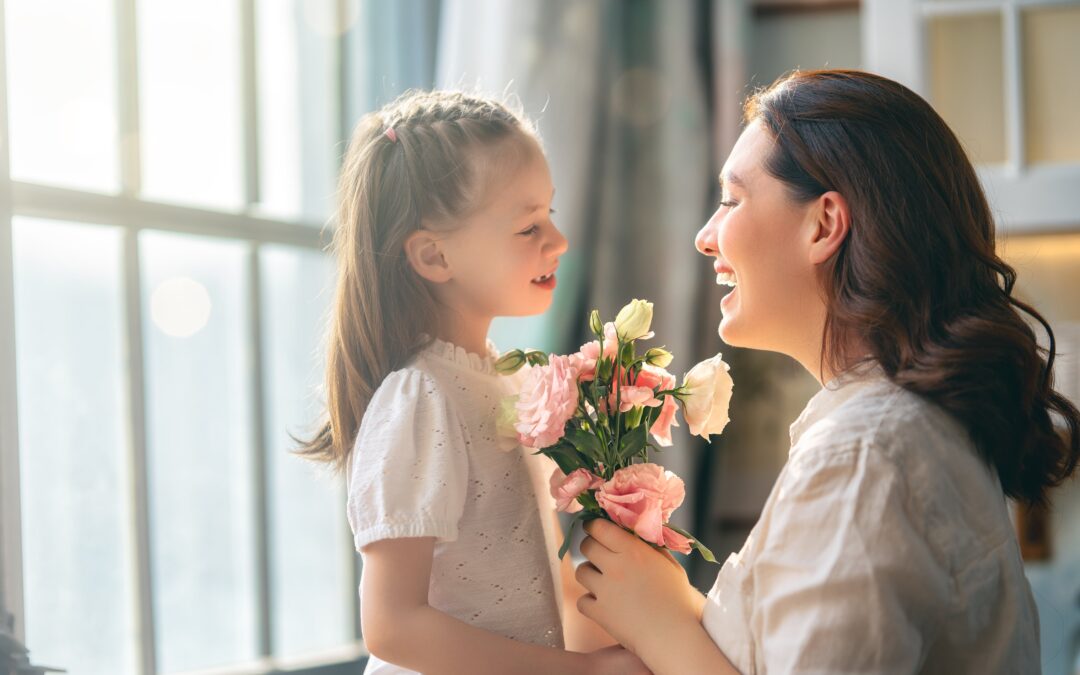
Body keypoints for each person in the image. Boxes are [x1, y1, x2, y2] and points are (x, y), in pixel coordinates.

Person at [575, 69, 1080, 674]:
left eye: (732, 201)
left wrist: (661, 624)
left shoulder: (866, 453)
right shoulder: (900, 433)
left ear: (824, 225)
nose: (705, 238)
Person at [296, 90, 648, 674]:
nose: (557, 242)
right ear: (434, 257)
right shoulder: (420, 398)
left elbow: (540, 575)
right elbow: (392, 625)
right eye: (528, 226)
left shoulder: (503, 381)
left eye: (551, 215)